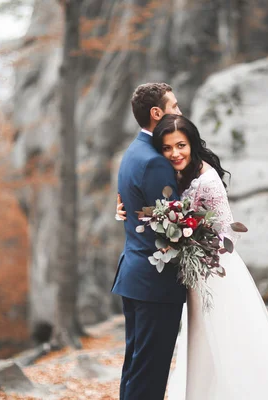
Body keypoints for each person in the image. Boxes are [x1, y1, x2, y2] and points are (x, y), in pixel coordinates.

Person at [116, 114, 268, 400]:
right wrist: (126, 212)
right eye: (167, 148)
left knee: (227, 343)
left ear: (191, 144)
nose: (174, 153)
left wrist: (191, 244)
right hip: (193, 278)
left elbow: (229, 232)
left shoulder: (208, 179)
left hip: (216, 272)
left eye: (180, 145)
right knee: (202, 346)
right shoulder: (171, 173)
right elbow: (156, 211)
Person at [112, 83, 184, 400]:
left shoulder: (134, 152)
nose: (180, 112)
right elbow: (170, 228)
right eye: (175, 107)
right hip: (155, 283)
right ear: (157, 114)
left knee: (137, 370)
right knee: (148, 378)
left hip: (136, 277)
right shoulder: (155, 161)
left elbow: (141, 211)